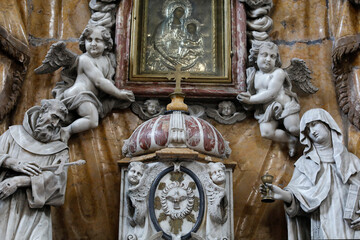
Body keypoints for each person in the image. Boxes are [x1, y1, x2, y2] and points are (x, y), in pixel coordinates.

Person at [260, 108, 360, 239]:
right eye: (307, 129)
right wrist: (283, 195)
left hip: (353, 228)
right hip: (323, 224)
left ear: (326, 123)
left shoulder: (352, 161)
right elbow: (301, 200)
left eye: (314, 124)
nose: (312, 132)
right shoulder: (305, 164)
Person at [0, 99, 70, 239]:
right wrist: (12, 162)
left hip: (35, 215)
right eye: (54, 116)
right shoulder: (13, 135)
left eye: (60, 121)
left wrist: (19, 181)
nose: (55, 124)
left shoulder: (59, 150)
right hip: (5, 204)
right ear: (42, 112)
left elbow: (58, 184)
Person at [60, 25, 135, 142]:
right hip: (79, 94)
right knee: (92, 120)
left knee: (92, 119)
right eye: (89, 40)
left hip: (88, 96)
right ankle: (67, 130)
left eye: (98, 40)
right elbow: (99, 81)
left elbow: (108, 80)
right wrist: (119, 94)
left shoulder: (107, 60)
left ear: (106, 45)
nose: (93, 43)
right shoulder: (84, 59)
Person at [237, 41, 300, 156]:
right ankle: (290, 140)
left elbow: (271, 93)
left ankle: (311, 139)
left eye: (272, 56)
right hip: (268, 111)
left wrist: (250, 99)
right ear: (256, 57)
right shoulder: (253, 75)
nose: (268, 59)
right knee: (266, 132)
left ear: (276, 60)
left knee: (293, 128)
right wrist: (246, 97)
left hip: (286, 108)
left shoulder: (278, 73)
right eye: (264, 55)